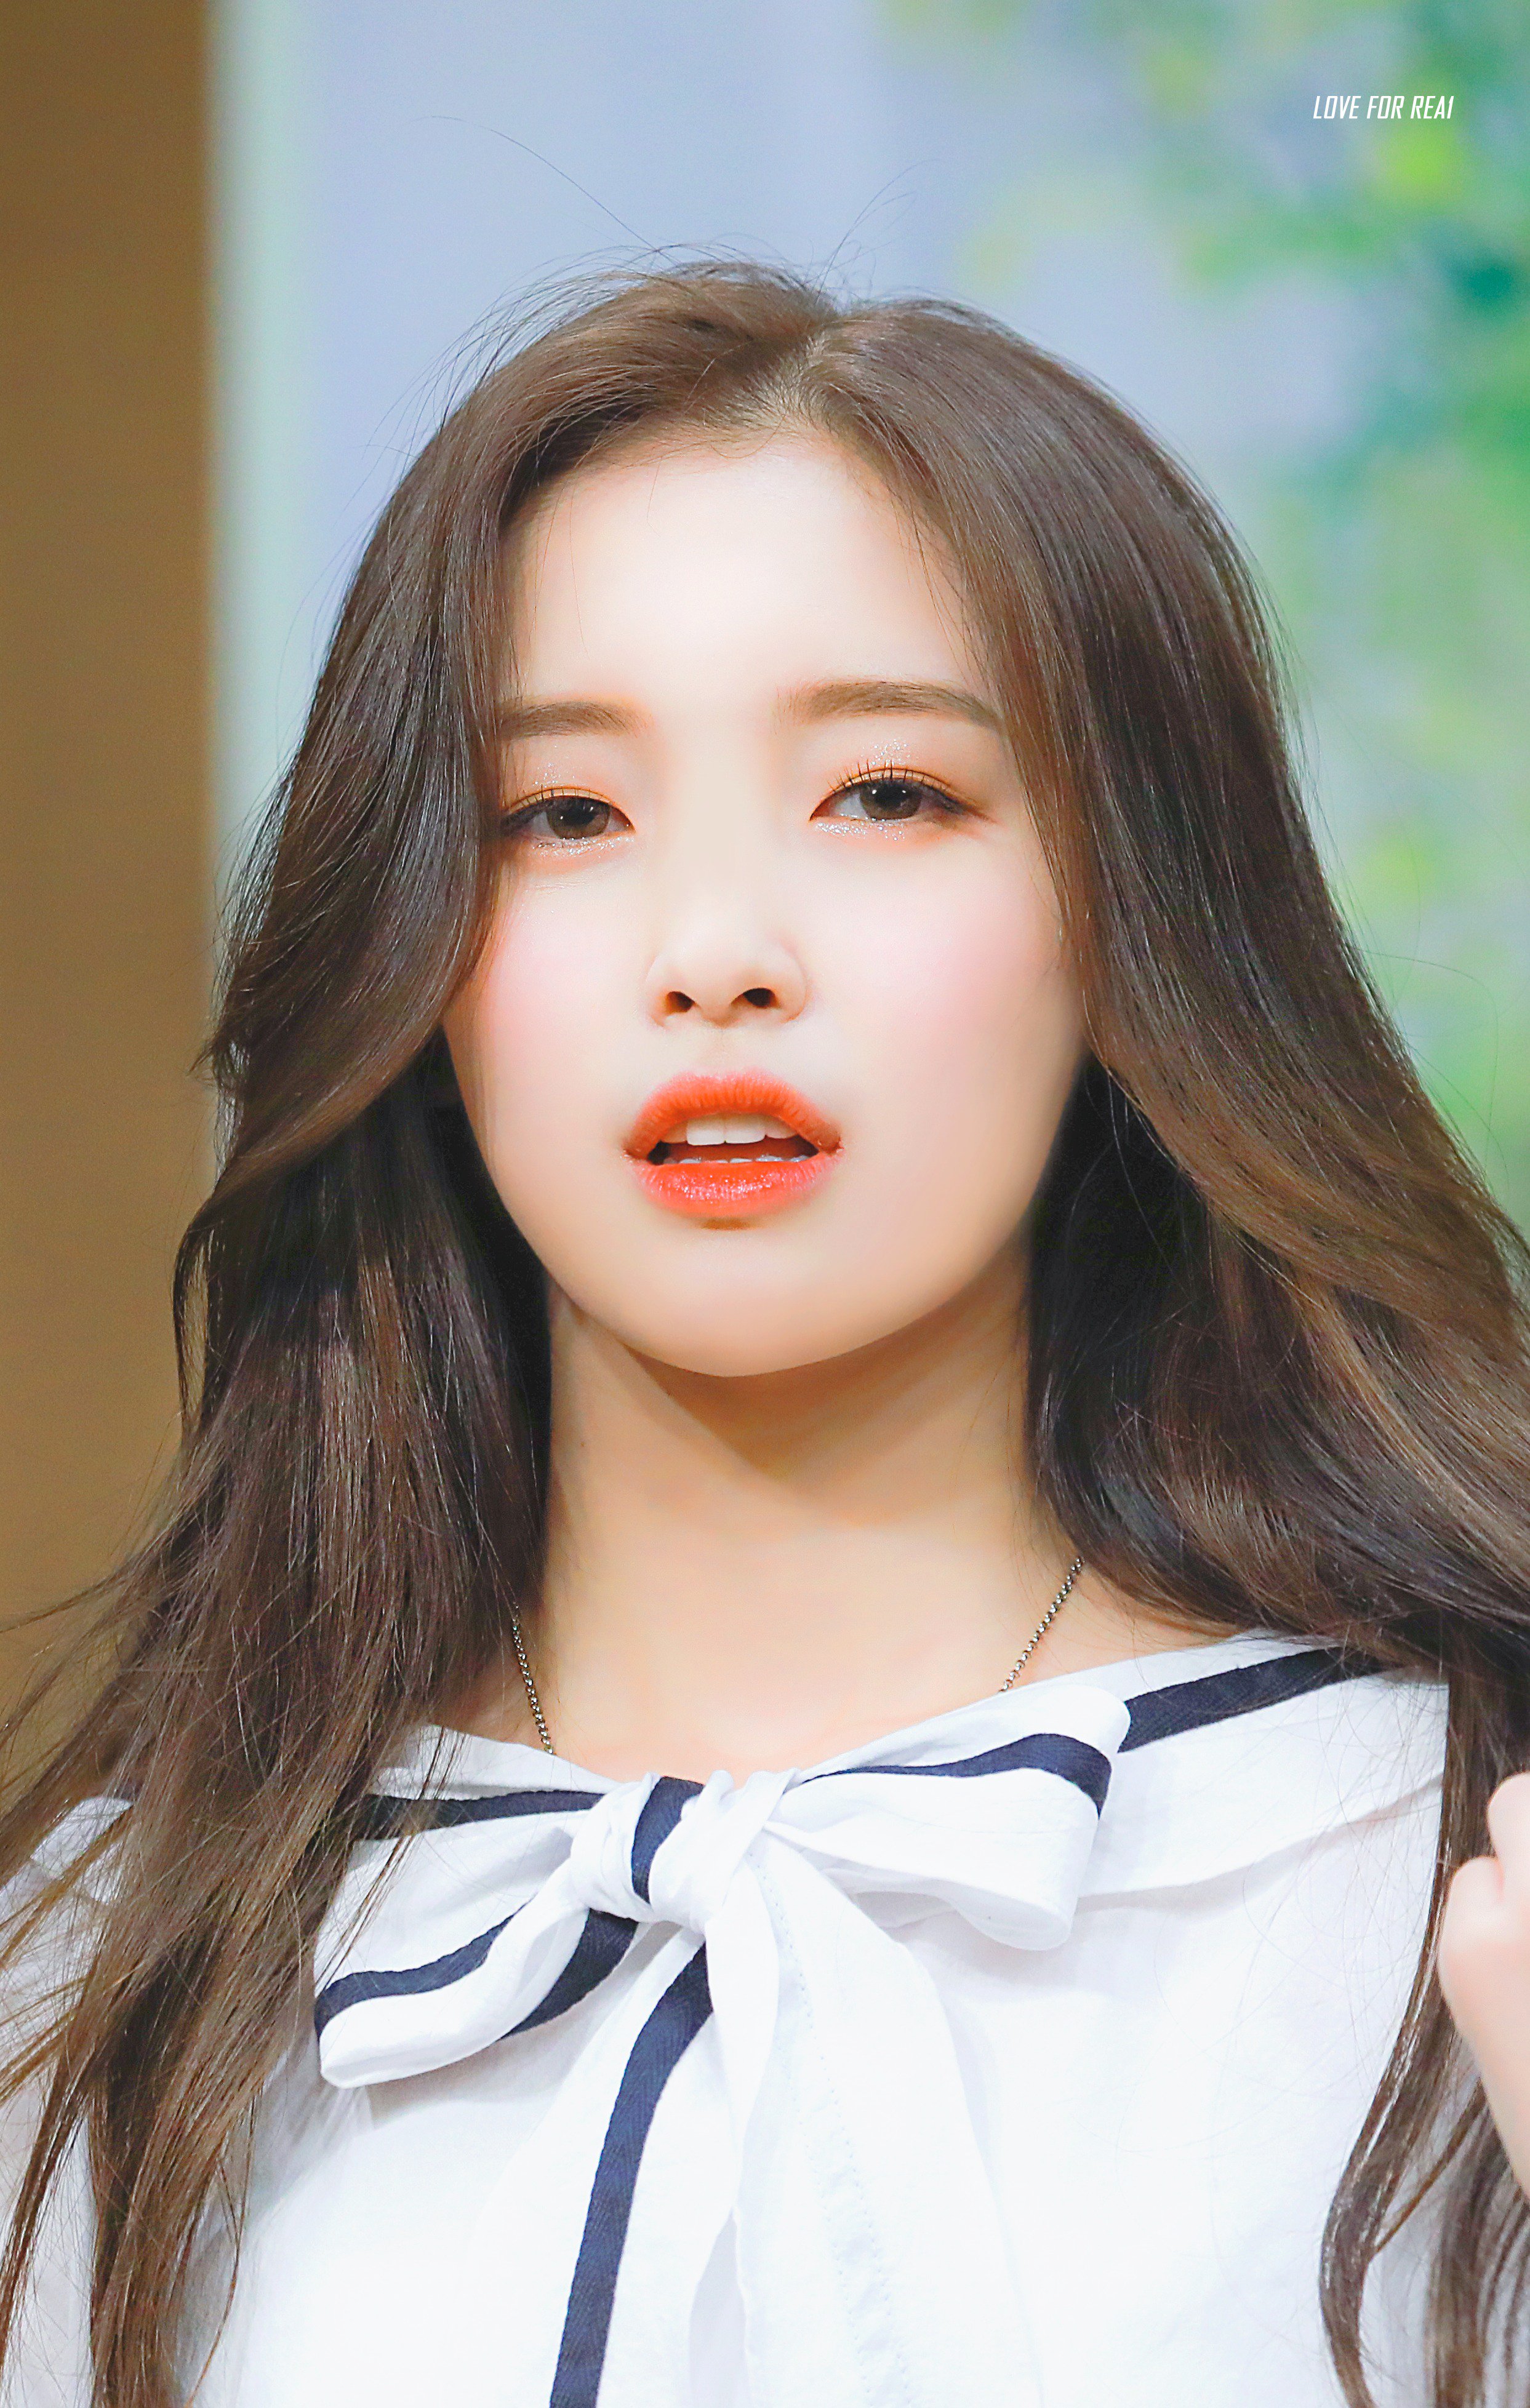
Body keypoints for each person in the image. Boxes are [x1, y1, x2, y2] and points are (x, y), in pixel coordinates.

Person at [2, 256, 1529, 2408]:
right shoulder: (107, 1977)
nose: (717, 948)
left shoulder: (1447, 1862)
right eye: (565, 816)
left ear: (1137, 916)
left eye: (887, 793)